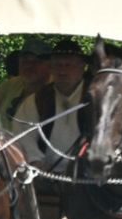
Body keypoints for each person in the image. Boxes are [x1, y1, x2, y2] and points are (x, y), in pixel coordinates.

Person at [13, 37, 89, 168]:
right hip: (46, 176)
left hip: (87, 176)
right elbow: (22, 133)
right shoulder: (38, 100)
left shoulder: (95, 99)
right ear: (51, 68)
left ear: (82, 67)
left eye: (68, 65)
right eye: (58, 65)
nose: (63, 71)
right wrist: (36, 160)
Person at [0, 36, 51, 132]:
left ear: (50, 65)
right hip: (0, 144)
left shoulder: (55, 91)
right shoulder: (13, 84)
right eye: (25, 61)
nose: (29, 66)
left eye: (36, 62)